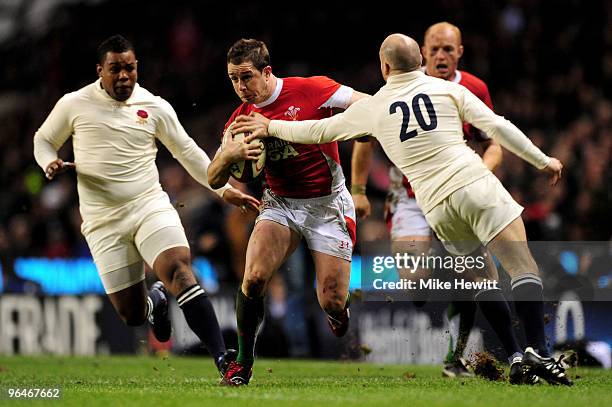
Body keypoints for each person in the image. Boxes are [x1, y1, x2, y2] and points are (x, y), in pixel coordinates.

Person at [232, 34, 571, 386]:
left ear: (385, 67)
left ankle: (515, 354)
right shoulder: (448, 90)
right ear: (421, 61)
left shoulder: (375, 106)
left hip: (437, 206)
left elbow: (318, 129)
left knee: (481, 277)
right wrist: (542, 160)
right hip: (474, 183)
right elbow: (496, 125)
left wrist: (269, 125)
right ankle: (538, 351)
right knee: (521, 265)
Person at [33, 35, 260, 375]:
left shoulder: (154, 106)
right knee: (132, 314)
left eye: (130, 68)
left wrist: (223, 189)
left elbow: (187, 152)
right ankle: (154, 301)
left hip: (148, 206)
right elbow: (43, 139)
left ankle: (223, 359)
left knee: (180, 270)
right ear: (100, 71)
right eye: (115, 69)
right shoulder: (74, 104)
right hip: (103, 222)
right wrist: (48, 160)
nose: (124, 75)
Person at [207, 38, 368, 386]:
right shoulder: (239, 120)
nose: (240, 87)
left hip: (328, 204)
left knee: (332, 300)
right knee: (253, 278)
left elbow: (368, 107)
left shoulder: (312, 90)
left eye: (246, 77)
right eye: (233, 79)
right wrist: (227, 156)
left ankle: (338, 313)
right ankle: (242, 364)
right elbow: (213, 177)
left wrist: (346, 135)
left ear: (267, 72)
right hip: (280, 203)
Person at [351, 22, 502, 378]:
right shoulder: (397, 87)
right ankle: (437, 261)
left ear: (459, 52)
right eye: (433, 49)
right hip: (409, 198)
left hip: (456, 194)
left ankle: (455, 355)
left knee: (467, 275)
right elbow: (362, 139)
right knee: (415, 283)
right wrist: (358, 190)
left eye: (447, 49)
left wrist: (479, 174)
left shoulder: (474, 89)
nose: (440, 55)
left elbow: (494, 141)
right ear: (421, 52)